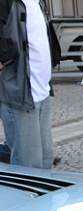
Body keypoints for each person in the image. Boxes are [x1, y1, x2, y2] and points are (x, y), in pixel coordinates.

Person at [0, 0, 60, 169]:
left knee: (45, 160)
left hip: (42, 91)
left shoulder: (38, 2)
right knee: (28, 166)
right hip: (20, 95)